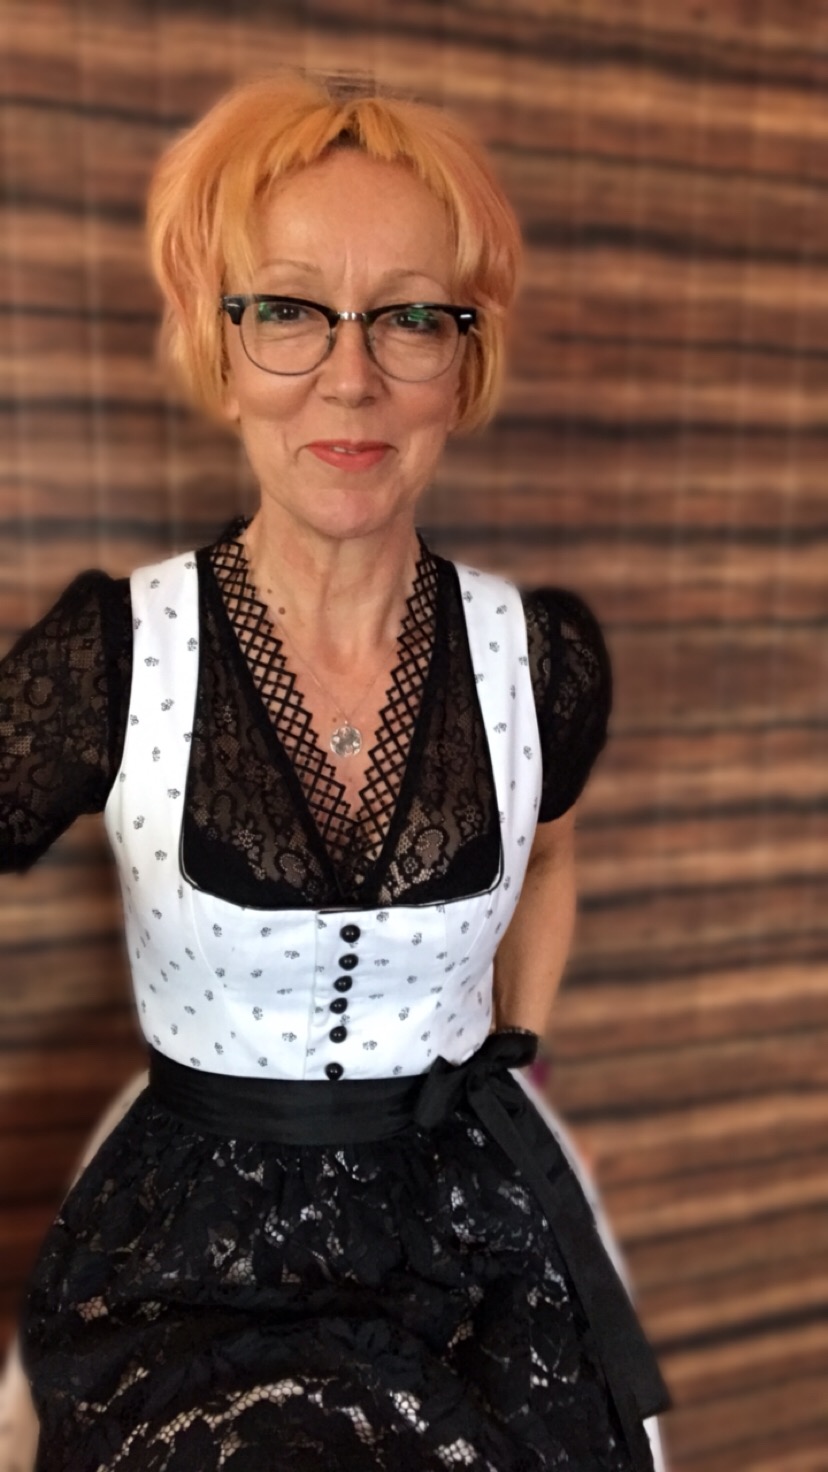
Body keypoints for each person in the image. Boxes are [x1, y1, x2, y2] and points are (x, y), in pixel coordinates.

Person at [0, 73, 670, 1471]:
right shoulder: (117, 653)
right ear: (220, 345)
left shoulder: (541, 657)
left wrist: (516, 1056)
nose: (350, 378)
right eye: (290, 310)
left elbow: (550, 846)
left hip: (470, 1234)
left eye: (411, 317)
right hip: (191, 1251)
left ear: (465, 360)